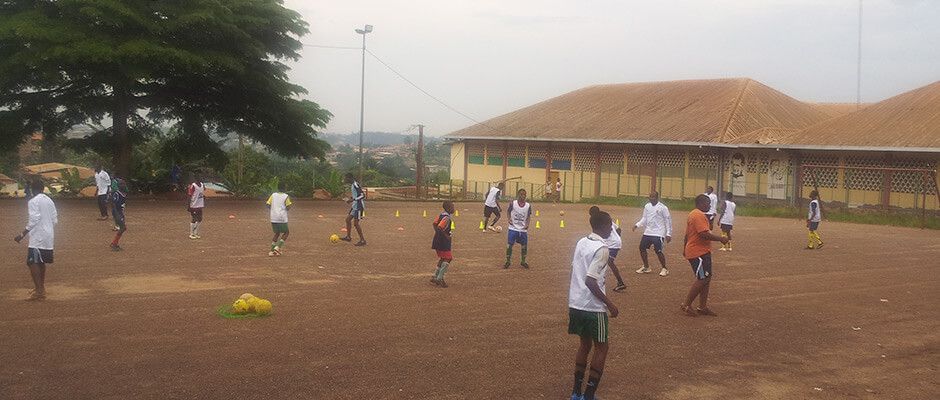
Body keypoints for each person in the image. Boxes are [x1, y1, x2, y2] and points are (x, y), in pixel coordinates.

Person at [568, 210, 618, 400]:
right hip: (593, 307)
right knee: (602, 348)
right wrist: (610, 304)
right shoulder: (602, 249)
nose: (612, 228)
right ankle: (588, 395)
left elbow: (576, 270)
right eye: (610, 224)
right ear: (603, 225)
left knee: (584, 345)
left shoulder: (582, 241)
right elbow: (591, 280)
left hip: (576, 303)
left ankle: (576, 393)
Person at [680, 194, 729, 317]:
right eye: (708, 203)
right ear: (701, 203)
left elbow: (687, 235)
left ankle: (702, 307)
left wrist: (685, 248)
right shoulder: (698, 215)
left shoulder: (694, 214)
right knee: (702, 279)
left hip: (701, 252)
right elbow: (703, 234)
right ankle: (686, 304)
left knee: (706, 278)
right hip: (698, 253)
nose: (710, 205)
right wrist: (721, 239)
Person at [13, 179, 58, 301]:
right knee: (41, 262)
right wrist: (47, 228)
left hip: (38, 237)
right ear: (43, 189)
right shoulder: (49, 200)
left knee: (32, 262)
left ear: (32, 190)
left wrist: (22, 234)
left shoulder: (33, 201)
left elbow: (34, 219)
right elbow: (55, 219)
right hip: (48, 234)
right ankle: (41, 288)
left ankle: (39, 291)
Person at [632, 191, 672, 277]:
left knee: (658, 251)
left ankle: (664, 268)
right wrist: (637, 225)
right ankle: (646, 267)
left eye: (653, 197)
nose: (651, 198)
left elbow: (668, 221)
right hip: (648, 231)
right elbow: (644, 218)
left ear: (657, 198)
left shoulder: (663, 208)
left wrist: (668, 233)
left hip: (659, 233)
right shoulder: (647, 206)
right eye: (650, 197)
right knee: (642, 248)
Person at [590, 206, 627, 292]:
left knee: (608, 261)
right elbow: (619, 229)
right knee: (607, 261)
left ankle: (620, 283)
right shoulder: (605, 219)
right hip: (613, 243)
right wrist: (618, 238)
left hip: (612, 244)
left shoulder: (598, 222)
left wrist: (614, 239)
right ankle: (619, 282)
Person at [430, 201, 456, 287]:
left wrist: (437, 233)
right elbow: (440, 227)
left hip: (438, 239)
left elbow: (434, 223)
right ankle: (439, 278)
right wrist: (446, 236)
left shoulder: (441, 215)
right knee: (448, 258)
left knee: (443, 258)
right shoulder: (446, 218)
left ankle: (435, 276)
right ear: (448, 208)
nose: (454, 209)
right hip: (443, 241)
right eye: (452, 207)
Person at [504, 188, 532, 269]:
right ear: (518, 195)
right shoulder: (513, 203)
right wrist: (509, 219)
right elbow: (508, 211)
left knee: (524, 246)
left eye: (524, 194)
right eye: (521, 194)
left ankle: (523, 261)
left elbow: (528, 216)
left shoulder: (528, 206)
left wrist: (527, 224)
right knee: (509, 245)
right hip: (513, 228)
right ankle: (508, 261)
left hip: (523, 229)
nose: (523, 196)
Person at [266, 182, 292, 256]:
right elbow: (288, 207)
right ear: (285, 188)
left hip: (273, 217)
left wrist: (274, 210)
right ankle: (278, 247)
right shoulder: (286, 196)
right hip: (281, 217)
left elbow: (268, 204)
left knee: (277, 233)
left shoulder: (273, 195)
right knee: (286, 232)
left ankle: (272, 251)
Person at [341, 173, 367, 246]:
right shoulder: (352, 185)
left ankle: (362, 240)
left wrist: (353, 200)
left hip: (359, 206)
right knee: (348, 220)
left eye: (346, 178)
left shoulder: (356, 185)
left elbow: (362, 195)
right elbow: (356, 195)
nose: (345, 180)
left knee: (356, 223)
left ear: (350, 178)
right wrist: (351, 199)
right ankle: (348, 237)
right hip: (355, 206)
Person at [109, 177, 128, 251]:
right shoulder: (117, 194)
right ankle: (114, 244)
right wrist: (117, 215)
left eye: (124, 184)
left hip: (120, 212)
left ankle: (114, 243)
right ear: (119, 186)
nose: (123, 185)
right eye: (121, 184)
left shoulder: (123, 193)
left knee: (123, 228)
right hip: (117, 212)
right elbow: (113, 204)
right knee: (123, 228)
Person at [187, 174, 205, 239]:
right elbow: (189, 196)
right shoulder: (193, 186)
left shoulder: (202, 185)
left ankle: (196, 232)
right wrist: (189, 206)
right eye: (200, 177)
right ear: (197, 178)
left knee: (200, 218)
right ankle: (191, 234)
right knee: (194, 218)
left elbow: (202, 192)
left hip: (200, 205)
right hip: (193, 205)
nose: (202, 178)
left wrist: (203, 197)